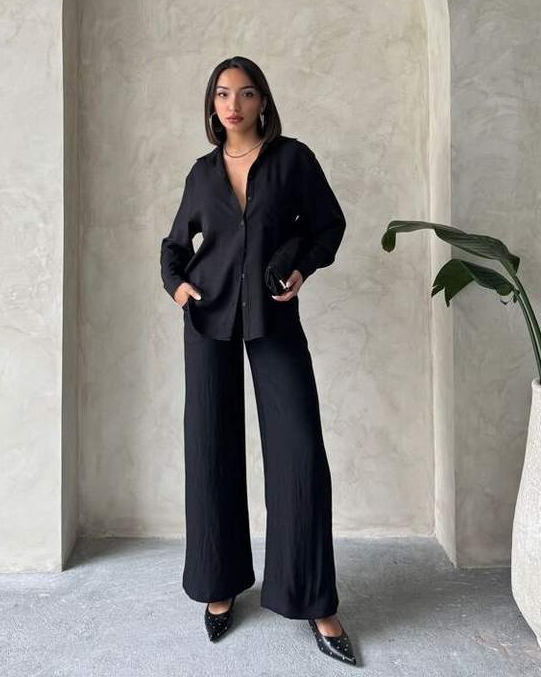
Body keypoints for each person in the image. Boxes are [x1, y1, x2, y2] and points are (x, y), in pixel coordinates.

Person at [160, 56, 357, 665]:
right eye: (223, 94)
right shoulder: (201, 174)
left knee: (300, 454)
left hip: (273, 318)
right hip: (208, 321)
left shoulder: (292, 160)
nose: (233, 104)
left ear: (263, 101)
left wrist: (301, 266)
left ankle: (315, 601)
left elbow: (328, 225)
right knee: (210, 450)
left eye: (245, 93)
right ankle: (218, 585)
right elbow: (174, 246)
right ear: (212, 104)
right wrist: (178, 288)